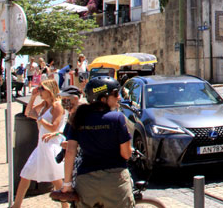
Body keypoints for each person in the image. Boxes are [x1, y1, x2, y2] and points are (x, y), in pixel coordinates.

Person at [61, 76, 134, 208]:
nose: (119, 98)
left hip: (86, 181)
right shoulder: (117, 118)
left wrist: (67, 184)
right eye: (116, 94)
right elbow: (126, 154)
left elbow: (70, 152)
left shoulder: (78, 117)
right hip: (114, 180)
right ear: (103, 99)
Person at [12, 79, 67, 208]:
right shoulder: (44, 105)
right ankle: (17, 205)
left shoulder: (57, 106)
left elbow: (54, 127)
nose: (40, 91)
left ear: (49, 90)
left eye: (42, 89)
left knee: (55, 178)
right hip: (42, 145)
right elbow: (28, 113)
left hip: (51, 145)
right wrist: (32, 98)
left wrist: (40, 119)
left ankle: (66, 206)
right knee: (26, 174)